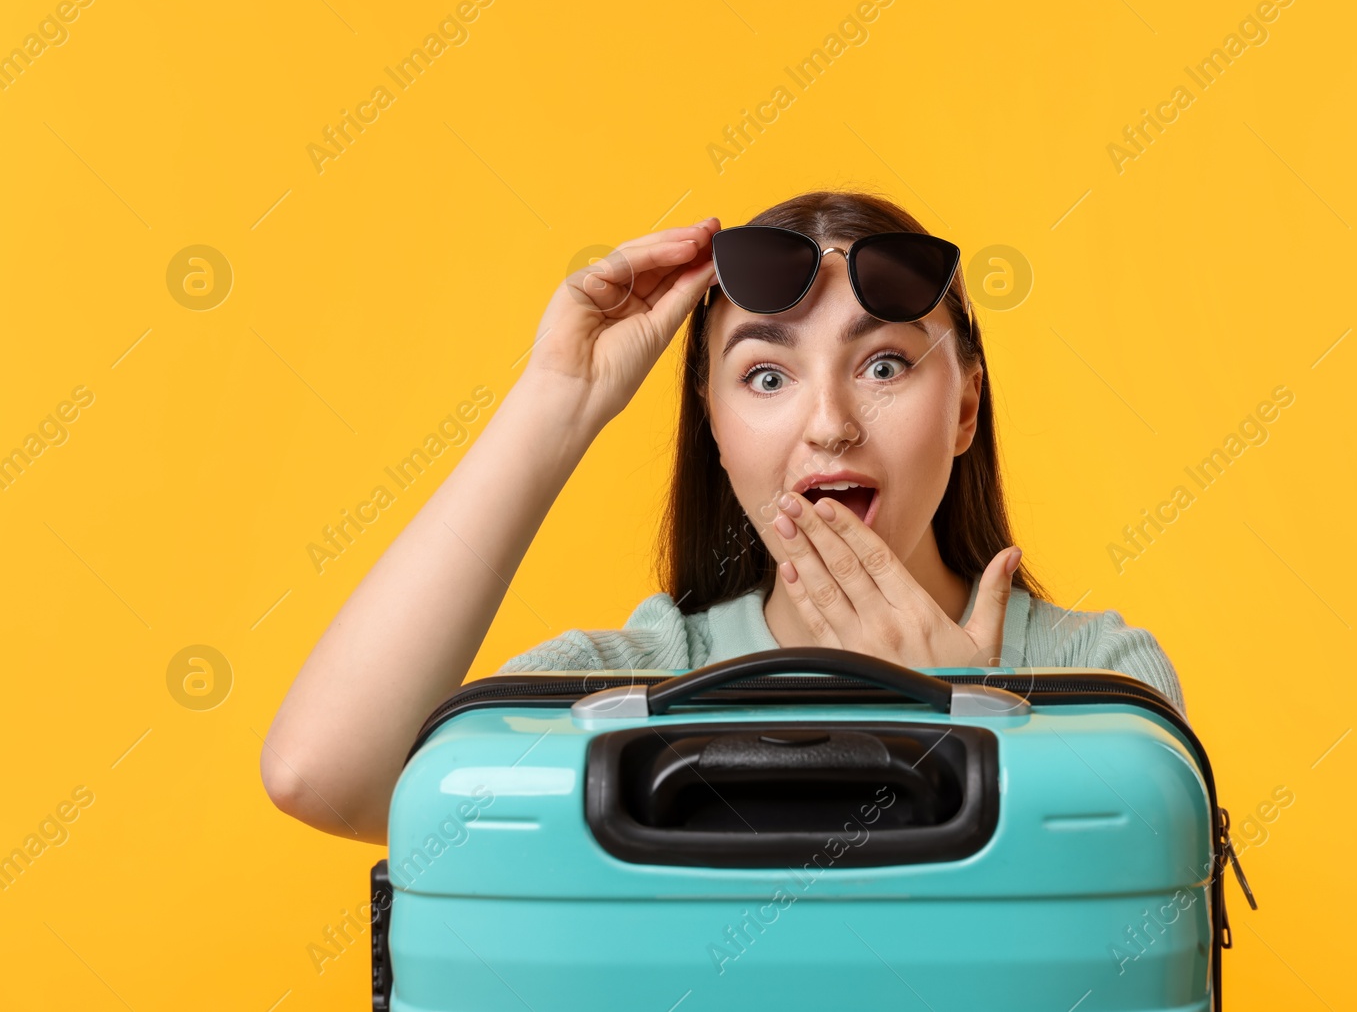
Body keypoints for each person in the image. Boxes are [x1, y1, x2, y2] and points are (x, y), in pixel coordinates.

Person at [261, 190, 1183, 844]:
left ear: (967, 410)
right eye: (767, 375)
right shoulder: (625, 691)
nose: (829, 423)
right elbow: (328, 776)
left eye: (886, 365)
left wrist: (960, 723)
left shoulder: (1099, 681)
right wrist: (557, 399)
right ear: (714, 423)